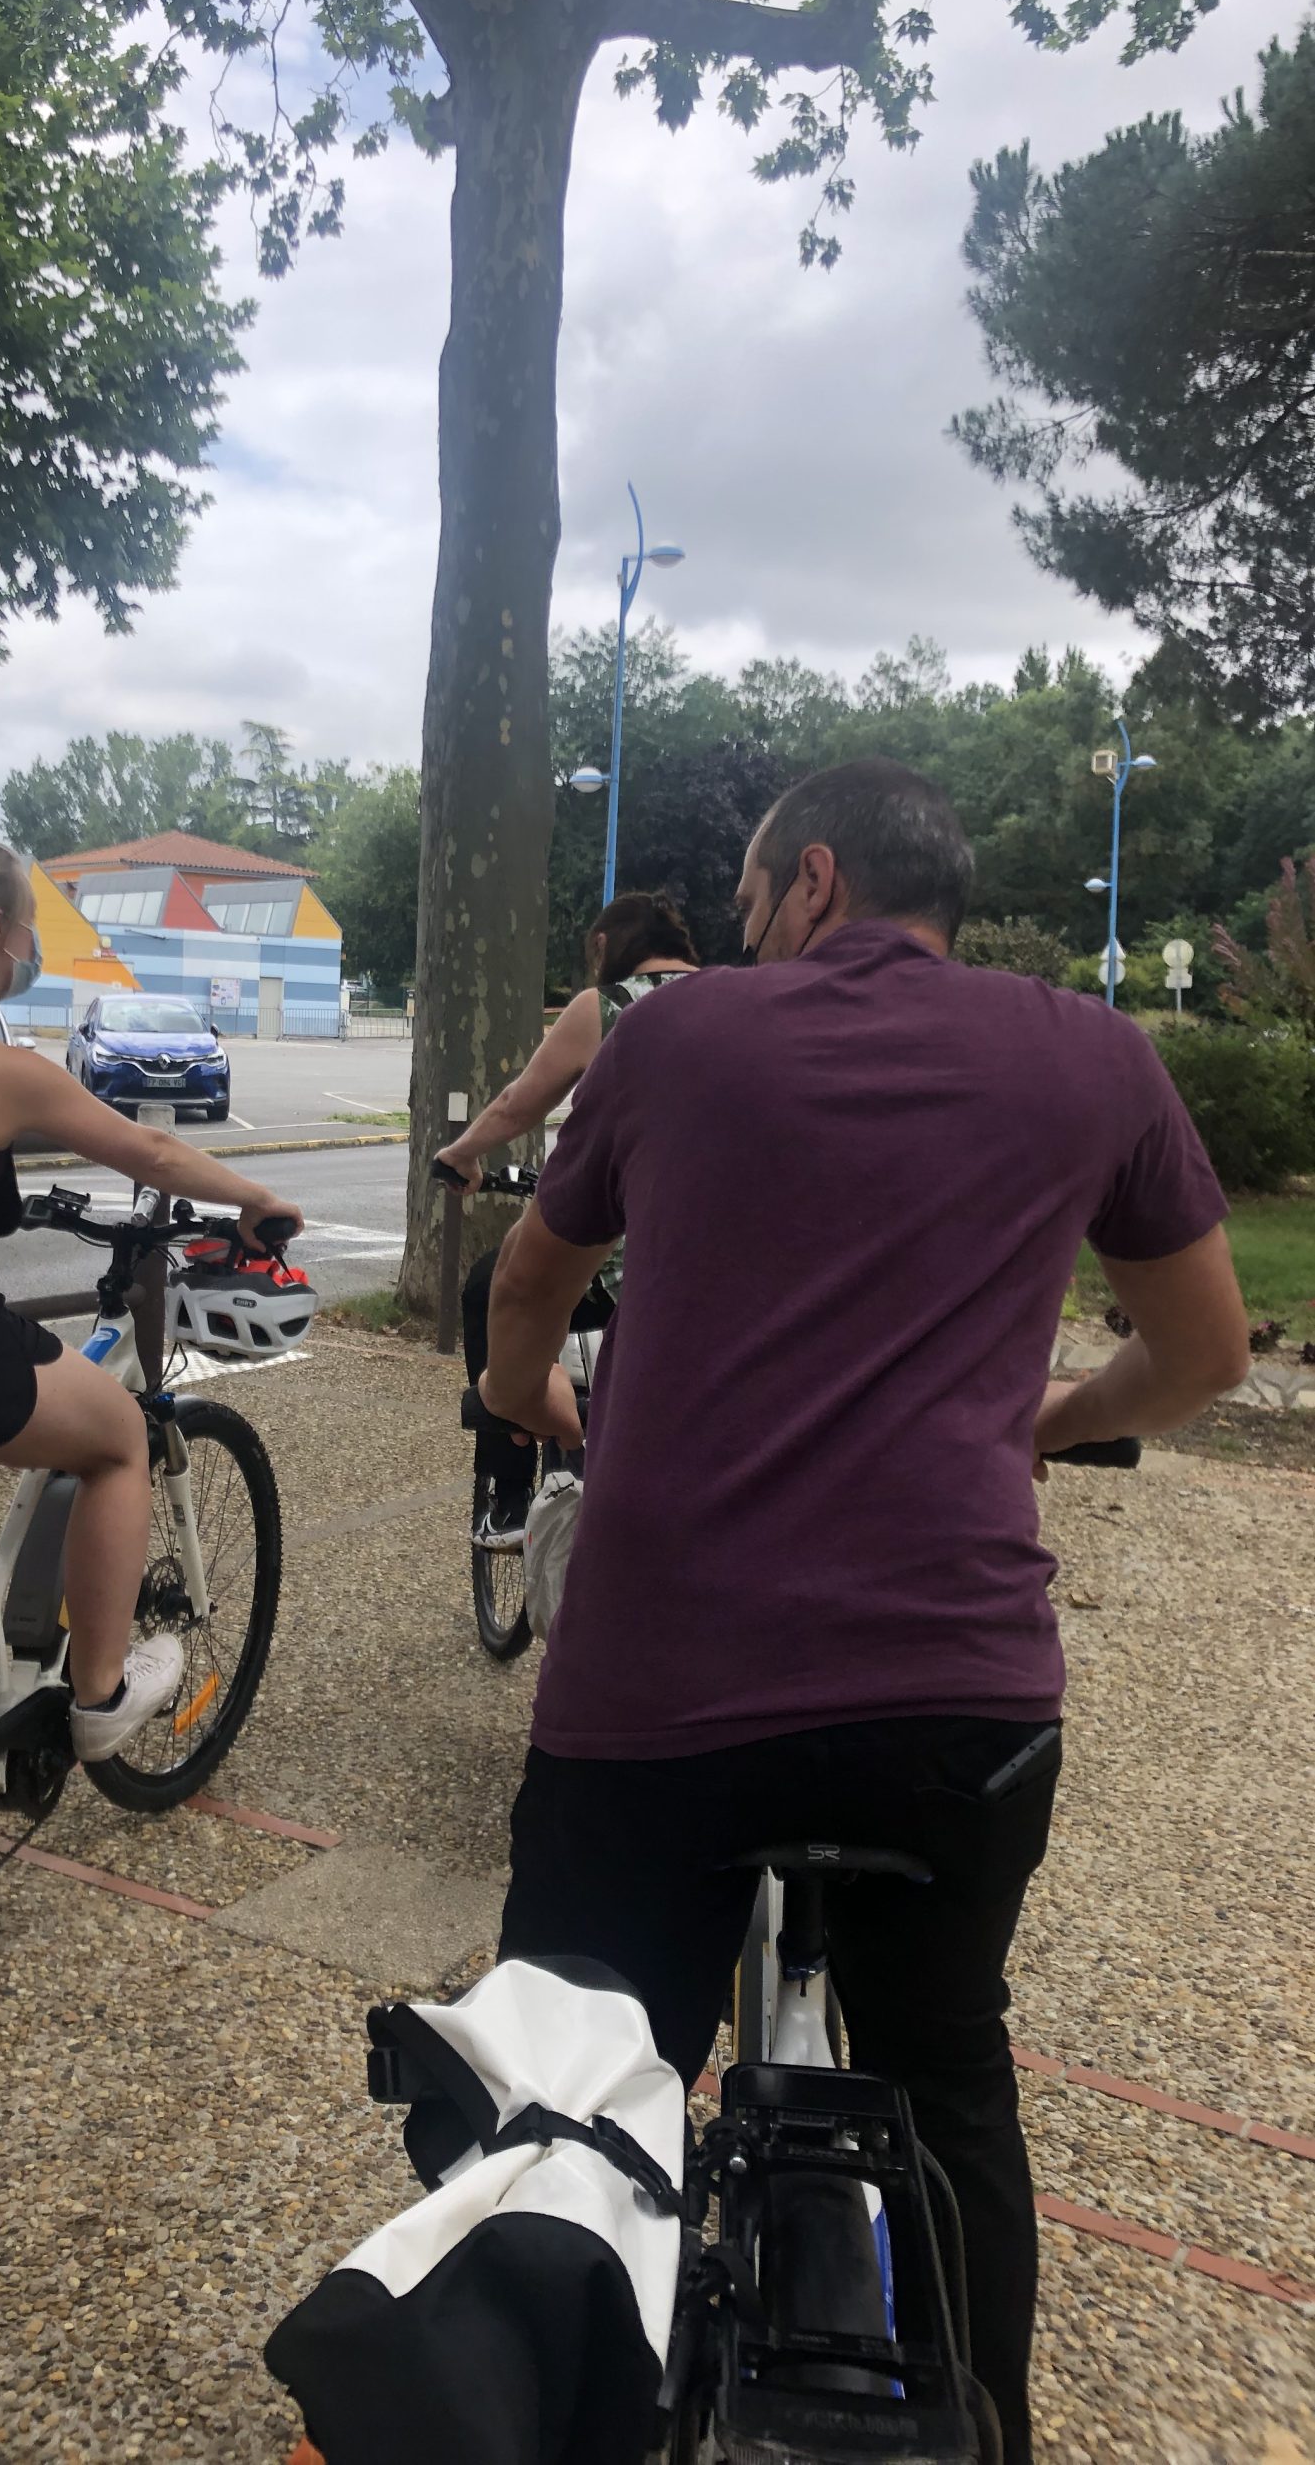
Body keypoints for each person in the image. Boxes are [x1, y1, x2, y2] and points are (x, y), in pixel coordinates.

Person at [478, 759, 1250, 2463]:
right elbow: (1199, 1356)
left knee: (579, 2086)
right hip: (951, 1712)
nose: (742, 934)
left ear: (808, 881)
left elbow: (529, 1278)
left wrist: (531, 1398)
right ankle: (985, 2425)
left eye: (749, 902)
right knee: (949, 2075)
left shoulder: (669, 1038)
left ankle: (546, 2406)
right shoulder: (1093, 1058)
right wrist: (1036, 1424)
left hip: (658, 1699)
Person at [0, 833, 305, 1766]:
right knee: (120, 1435)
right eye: (28, 930)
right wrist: (256, 1200)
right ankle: (100, 1697)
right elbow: (152, 1155)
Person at [435, 891, 697, 1547]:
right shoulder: (736, 999)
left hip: (611, 1256)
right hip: (705, 1253)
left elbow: (516, 1104)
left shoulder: (604, 1008)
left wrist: (460, 1156)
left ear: (606, 949)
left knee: (490, 1291)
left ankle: (512, 1488)